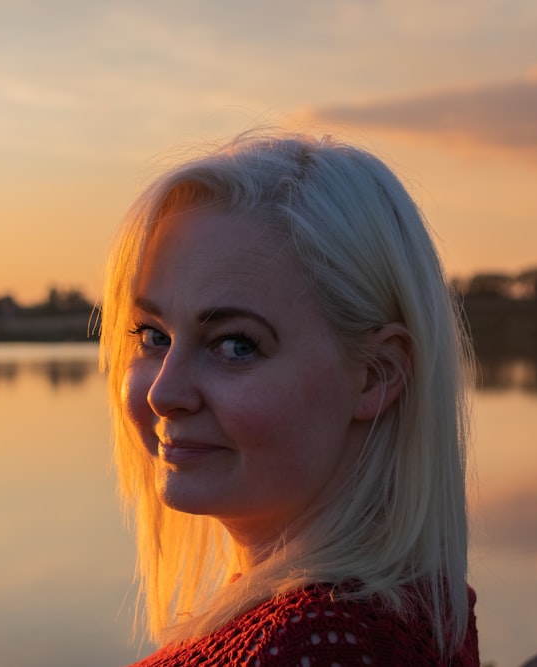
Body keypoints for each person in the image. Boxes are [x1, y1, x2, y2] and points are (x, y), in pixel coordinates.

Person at [99, 131, 480, 666]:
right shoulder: (405, 611)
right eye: (153, 336)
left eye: (235, 344)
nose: (165, 392)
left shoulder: (316, 646)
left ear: (375, 375)